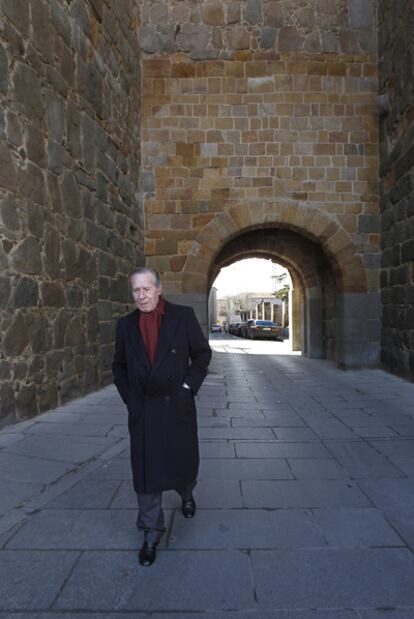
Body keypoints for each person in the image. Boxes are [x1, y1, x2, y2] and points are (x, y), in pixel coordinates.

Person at [112, 267, 212, 566]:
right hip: (144, 409)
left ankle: (186, 493)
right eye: (135, 290)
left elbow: (202, 354)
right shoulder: (126, 325)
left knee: (182, 462)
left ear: (158, 289)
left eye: (146, 289)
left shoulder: (183, 316)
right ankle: (151, 531)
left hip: (176, 405)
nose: (141, 295)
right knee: (146, 472)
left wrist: (186, 388)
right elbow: (119, 366)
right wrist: (131, 399)